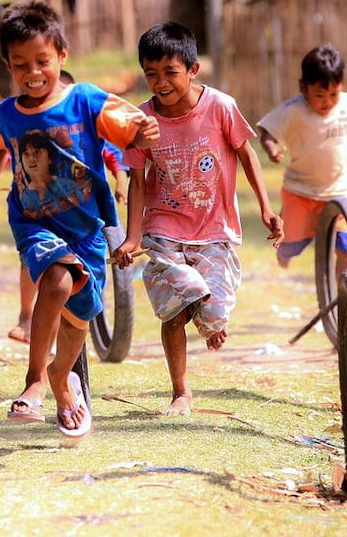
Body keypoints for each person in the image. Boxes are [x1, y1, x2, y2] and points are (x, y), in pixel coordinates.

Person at [0, 0, 159, 437]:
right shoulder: (9, 115)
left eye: (42, 61)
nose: (33, 72)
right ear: (7, 66)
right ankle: (35, 380)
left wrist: (143, 131)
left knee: (79, 318)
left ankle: (60, 377)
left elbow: (130, 125)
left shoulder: (85, 99)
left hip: (87, 228)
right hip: (35, 223)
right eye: (20, 65)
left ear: (62, 56)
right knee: (55, 280)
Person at [113, 22, 283, 415]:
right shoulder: (142, 121)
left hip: (215, 227)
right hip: (164, 225)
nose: (160, 83)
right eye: (150, 74)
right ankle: (181, 392)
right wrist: (133, 237)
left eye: (169, 72)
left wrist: (265, 207)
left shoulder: (220, 106)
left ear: (192, 70)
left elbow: (247, 154)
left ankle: (211, 320)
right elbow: (137, 180)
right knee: (178, 304)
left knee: (214, 310)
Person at [7, 70, 130, 345]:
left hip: (80, 215)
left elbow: (116, 157)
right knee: (32, 262)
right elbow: (9, 153)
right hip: (41, 215)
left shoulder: (87, 120)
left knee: (77, 280)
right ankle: (26, 316)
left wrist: (121, 182)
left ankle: (69, 324)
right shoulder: (30, 130)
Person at [256, 45, 347, 280]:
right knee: (291, 243)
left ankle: (346, 297)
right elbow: (267, 131)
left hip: (338, 191)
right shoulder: (293, 110)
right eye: (320, 96)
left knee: (346, 247)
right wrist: (272, 149)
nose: (328, 102)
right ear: (303, 87)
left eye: (333, 94)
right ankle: (285, 250)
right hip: (300, 191)